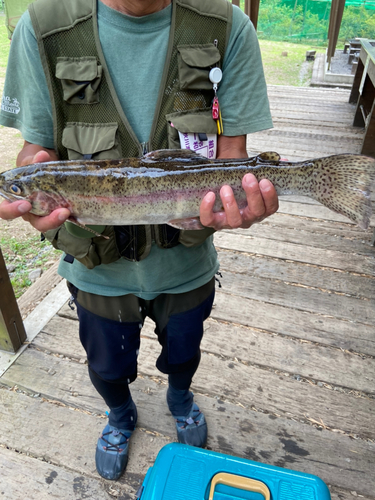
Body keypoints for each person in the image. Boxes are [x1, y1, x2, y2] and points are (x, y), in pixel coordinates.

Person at [0, 0, 278, 481]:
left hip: (187, 264)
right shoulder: (42, 27)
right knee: (107, 366)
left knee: (185, 352)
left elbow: (232, 155)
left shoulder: (228, 26)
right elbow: (34, 148)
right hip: (97, 271)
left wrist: (243, 204)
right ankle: (120, 415)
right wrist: (27, 180)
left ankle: (180, 398)